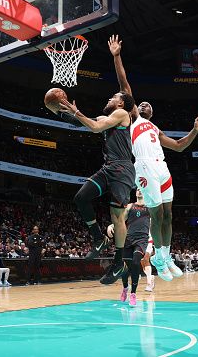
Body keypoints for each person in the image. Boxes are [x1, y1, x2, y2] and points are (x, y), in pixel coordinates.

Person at [108, 34, 198, 282]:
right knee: (158, 215)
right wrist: (117, 56)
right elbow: (125, 87)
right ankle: (158, 261)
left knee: (169, 214)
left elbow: (180, 146)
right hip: (143, 168)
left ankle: (166, 255)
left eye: (148, 105)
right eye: (141, 103)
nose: (144, 105)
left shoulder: (154, 129)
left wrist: (194, 130)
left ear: (152, 112)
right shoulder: (133, 120)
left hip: (162, 168)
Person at [58, 90, 136, 285]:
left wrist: (76, 112)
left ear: (121, 104)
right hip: (108, 168)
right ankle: (98, 238)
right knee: (81, 198)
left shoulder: (122, 114)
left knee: (117, 217)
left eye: (114, 97)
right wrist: (57, 108)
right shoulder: (109, 117)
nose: (110, 98)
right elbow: (82, 122)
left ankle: (119, 263)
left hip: (122, 169)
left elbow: (94, 127)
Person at [120, 189, 151, 307]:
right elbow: (121, 219)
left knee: (135, 262)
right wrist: (113, 225)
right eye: (137, 189)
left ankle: (133, 293)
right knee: (124, 266)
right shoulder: (130, 206)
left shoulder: (150, 208)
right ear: (136, 193)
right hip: (128, 239)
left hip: (142, 240)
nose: (139, 191)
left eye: (142, 189)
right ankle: (125, 288)